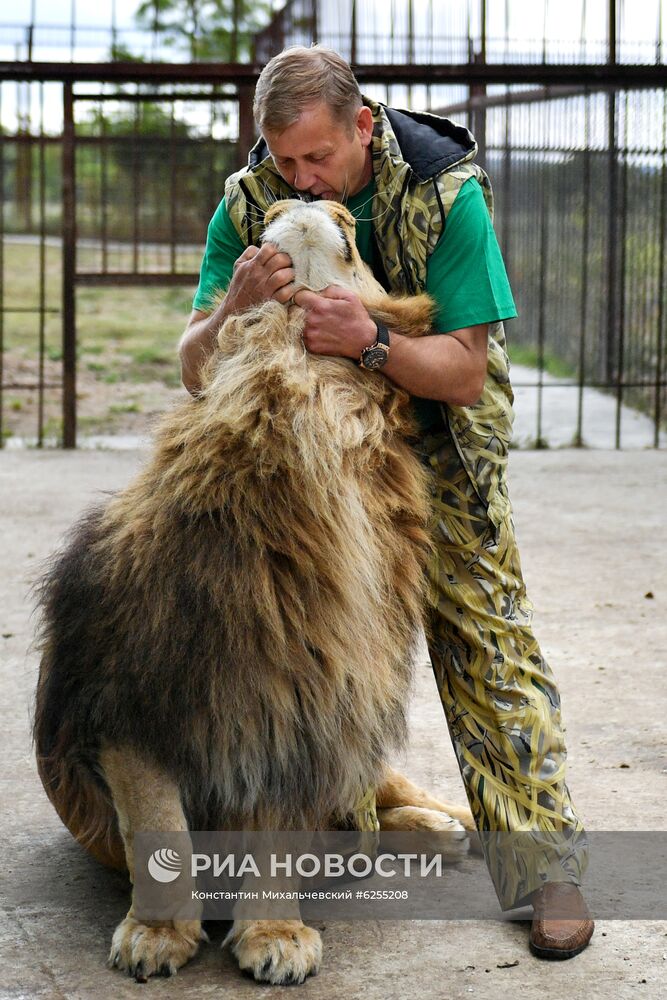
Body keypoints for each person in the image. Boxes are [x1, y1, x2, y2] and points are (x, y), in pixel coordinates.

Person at [180, 44, 593, 960]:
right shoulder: (247, 202)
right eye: (282, 160)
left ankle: (542, 866)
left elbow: (462, 370)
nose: (297, 177)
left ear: (362, 125)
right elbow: (193, 374)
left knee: (480, 630)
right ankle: (334, 827)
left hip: (432, 442)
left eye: (316, 158)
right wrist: (230, 305)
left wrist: (368, 341)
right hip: (309, 455)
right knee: (308, 646)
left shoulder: (447, 191)